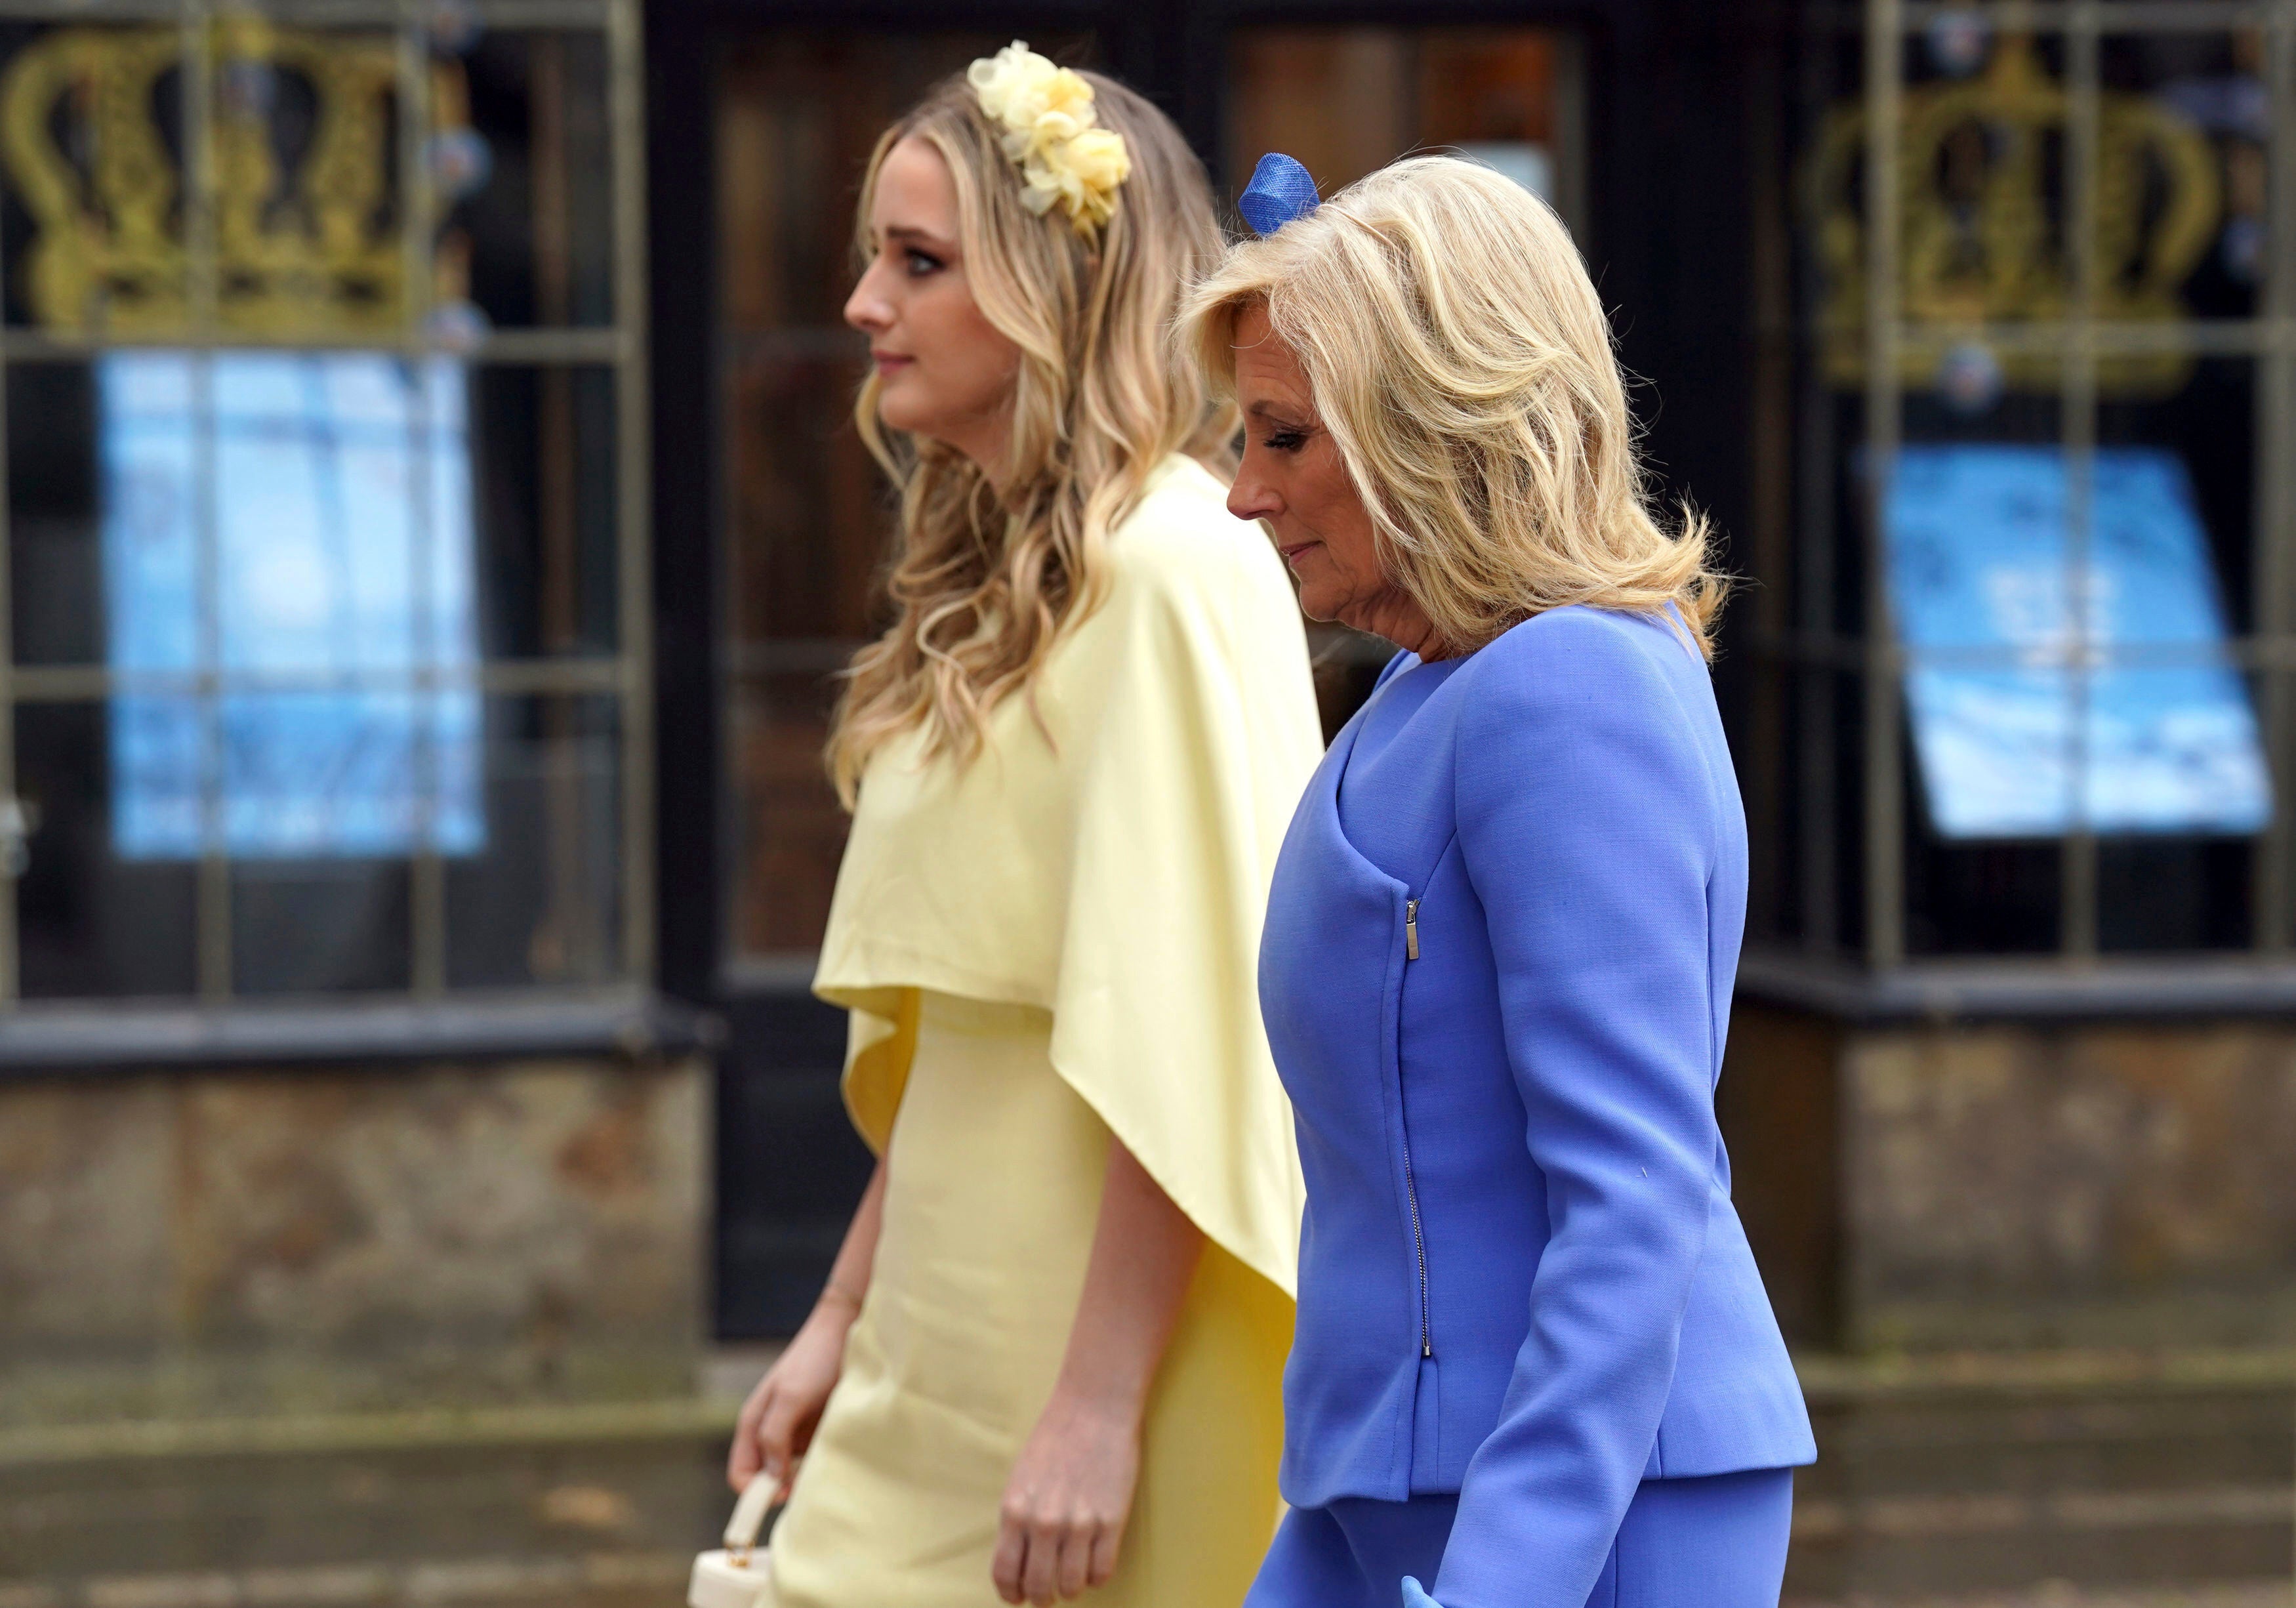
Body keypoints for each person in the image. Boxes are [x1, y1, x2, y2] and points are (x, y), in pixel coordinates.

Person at [724, 49, 1323, 1608]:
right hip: (941, 1340)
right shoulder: (992, 587)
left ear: (1061, 289)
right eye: (877, 255)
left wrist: (1099, 1408)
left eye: (919, 262)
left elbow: (1196, 1022)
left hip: (1091, 1360)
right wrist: (840, 1318)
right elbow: (971, 1037)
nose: (863, 302)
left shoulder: (1178, 570)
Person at [1178, 152, 1817, 1608]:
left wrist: (1504, 1581)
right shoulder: (1430, 683)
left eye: (1282, 437)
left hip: (1582, 1517)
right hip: (1386, 1493)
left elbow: (1632, 1193)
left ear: (1431, 430)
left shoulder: (1568, 681)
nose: (1237, 493)